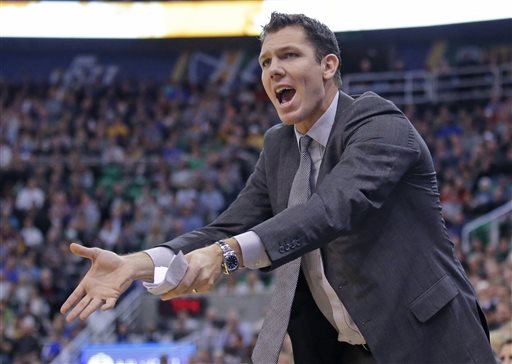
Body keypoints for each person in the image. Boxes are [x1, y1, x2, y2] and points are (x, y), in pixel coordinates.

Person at [61, 12, 496, 363]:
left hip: (430, 341)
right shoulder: (278, 146)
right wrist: (136, 264)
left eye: (288, 55)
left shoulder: (377, 122)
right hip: (343, 351)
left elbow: (331, 209)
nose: (274, 70)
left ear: (328, 66)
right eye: (266, 62)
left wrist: (226, 255)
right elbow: (226, 226)